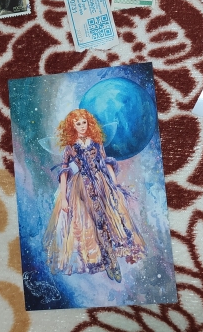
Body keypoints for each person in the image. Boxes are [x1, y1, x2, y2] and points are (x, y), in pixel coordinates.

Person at [43, 109, 145, 282]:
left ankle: (113, 262)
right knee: (89, 224)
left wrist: (115, 183)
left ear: (88, 123)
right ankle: (107, 261)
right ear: (72, 127)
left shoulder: (97, 143)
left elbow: (106, 163)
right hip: (81, 188)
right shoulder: (70, 148)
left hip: (101, 184)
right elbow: (64, 173)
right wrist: (64, 198)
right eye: (78, 124)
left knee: (110, 220)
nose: (82, 126)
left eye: (84, 122)